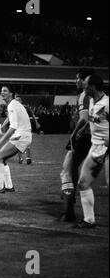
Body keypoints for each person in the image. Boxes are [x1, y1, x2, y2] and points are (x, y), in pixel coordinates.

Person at [58, 68, 94, 222]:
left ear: (86, 80)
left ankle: (69, 212)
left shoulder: (84, 95)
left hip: (83, 138)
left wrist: (74, 134)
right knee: (76, 174)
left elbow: (84, 118)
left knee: (67, 172)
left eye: (78, 78)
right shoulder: (98, 96)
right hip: (94, 138)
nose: (76, 81)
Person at [74, 74, 108, 229]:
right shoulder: (93, 101)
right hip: (95, 147)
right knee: (83, 182)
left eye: (86, 84)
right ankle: (89, 220)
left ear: (93, 86)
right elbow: (96, 122)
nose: (83, 86)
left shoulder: (107, 104)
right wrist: (83, 130)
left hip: (106, 148)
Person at [0, 86, 31, 194]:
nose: (2, 92)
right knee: (2, 159)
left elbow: (13, 127)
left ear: (11, 93)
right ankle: (9, 186)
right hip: (24, 136)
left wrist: (0, 141)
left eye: (5, 90)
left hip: (21, 136)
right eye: (1, 90)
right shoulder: (14, 104)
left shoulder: (12, 105)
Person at [14, 94, 40, 164]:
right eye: (16, 100)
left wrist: (36, 123)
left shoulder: (26, 107)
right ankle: (20, 158)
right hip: (18, 129)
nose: (17, 101)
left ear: (21, 101)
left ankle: (28, 158)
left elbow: (33, 116)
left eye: (18, 100)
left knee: (27, 143)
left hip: (26, 128)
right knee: (18, 143)